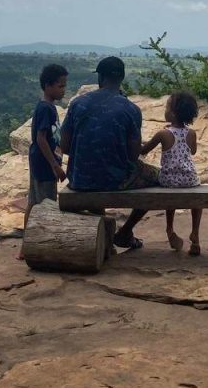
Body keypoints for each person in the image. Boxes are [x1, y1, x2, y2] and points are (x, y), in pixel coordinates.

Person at [59, 56, 158, 250]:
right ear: (121, 78)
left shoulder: (78, 103)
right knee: (159, 177)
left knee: (99, 172)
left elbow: (65, 147)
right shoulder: (131, 109)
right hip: (115, 179)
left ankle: (103, 236)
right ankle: (125, 232)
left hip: (80, 178)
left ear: (101, 78)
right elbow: (132, 155)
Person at [141, 91, 202, 256]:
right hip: (190, 179)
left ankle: (170, 229)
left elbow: (143, 151)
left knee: (169, 191)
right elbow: (193, 152)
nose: (165, 109)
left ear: (173, 113)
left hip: (168, 180)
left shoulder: (163, 133)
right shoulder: (192, 133)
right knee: (198, 199)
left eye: (167, 106)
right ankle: (195, 234)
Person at [20, 63, 68, 259]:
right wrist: (55, 166)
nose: (63, 90)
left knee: (33, 203)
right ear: (48, 86)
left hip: (41, 161)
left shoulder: (50, 108)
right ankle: (40, 247)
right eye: (60, 86)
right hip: (44, 163)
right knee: (47, 204)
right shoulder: (46, 109)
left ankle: (26, 245)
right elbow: (41, 138)